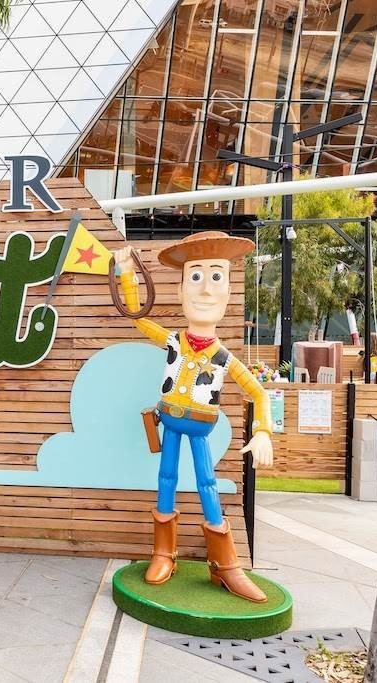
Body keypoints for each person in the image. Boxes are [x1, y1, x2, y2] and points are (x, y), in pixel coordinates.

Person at [113, 232, 273, 603]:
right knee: (166, 479)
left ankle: (225, 564)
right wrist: (126, 274)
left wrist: (263, 431)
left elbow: (259, 393)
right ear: (181, 289)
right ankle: (163, 553)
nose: (205, 289)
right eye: (196, 277)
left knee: (207, 484)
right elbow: (139, 319)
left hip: (201, 427)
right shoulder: (173, 341)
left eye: (216, 277)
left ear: (228, 291)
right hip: (170, 421)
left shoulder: (225, 358)